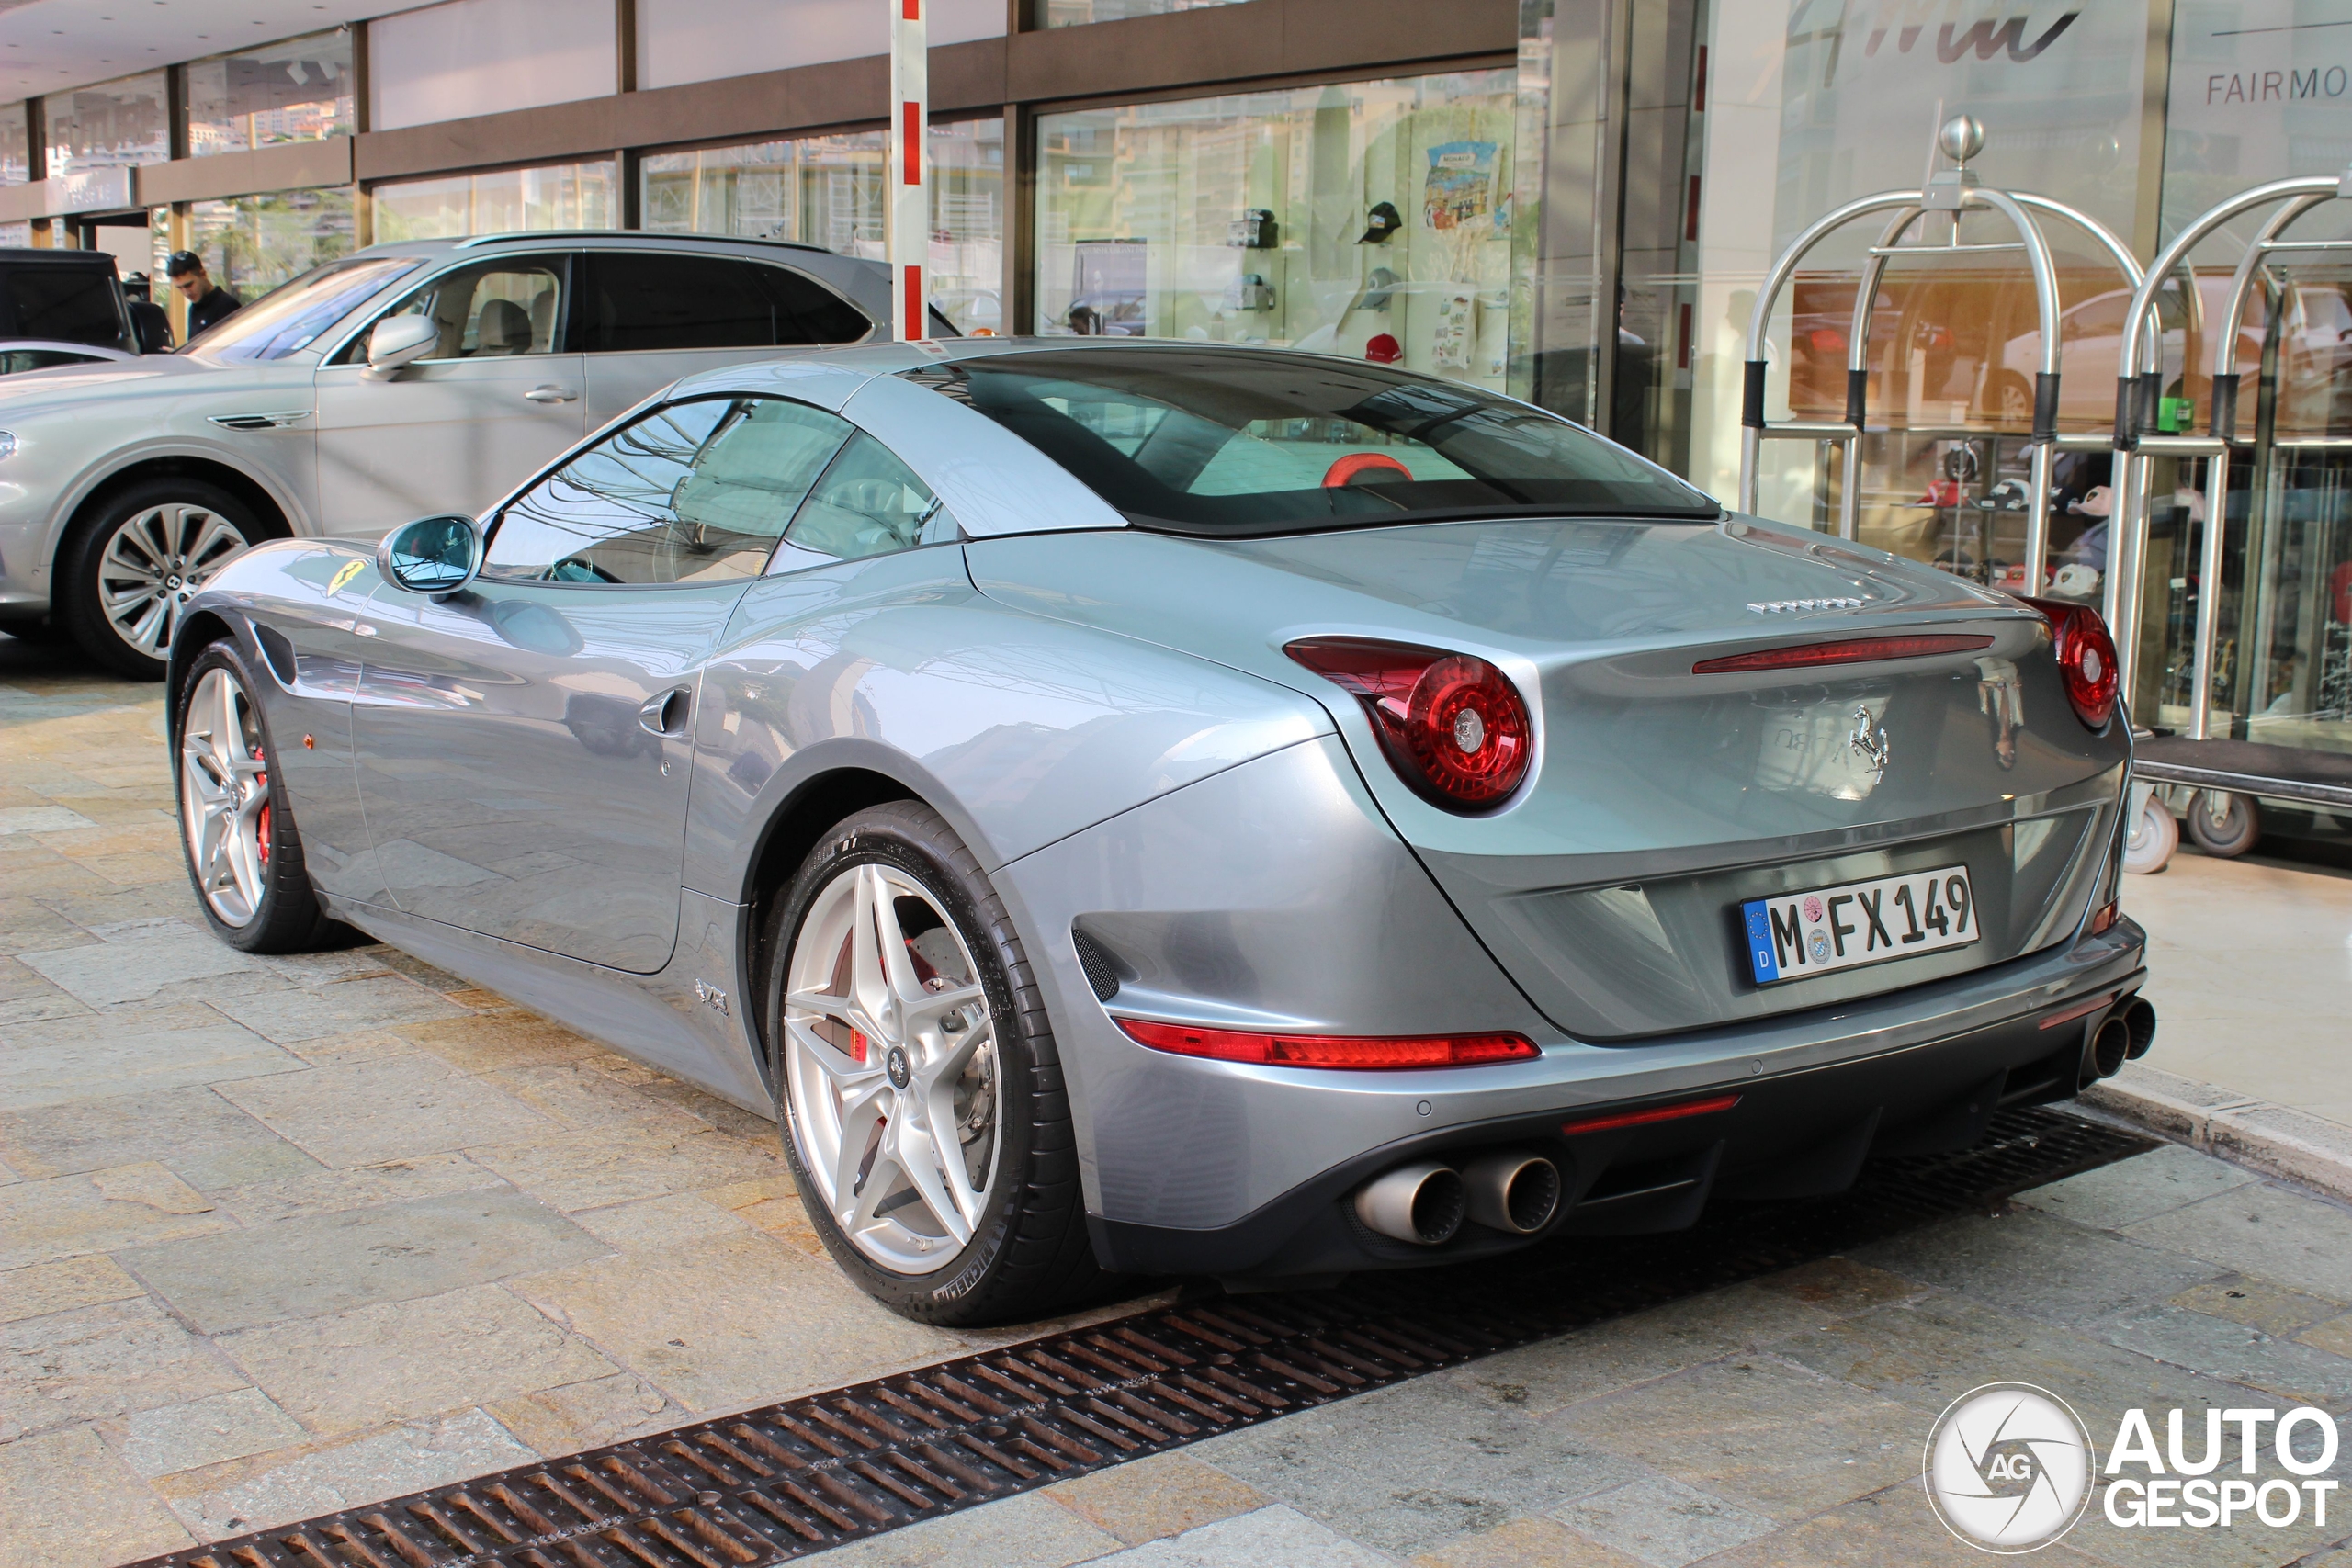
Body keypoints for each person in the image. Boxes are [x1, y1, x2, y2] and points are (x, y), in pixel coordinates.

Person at [165, 251, 241, 339]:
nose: (186, 293)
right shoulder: (194, 308)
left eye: (189, 285)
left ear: (203, 274)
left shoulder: (227, 306)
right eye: (180, 288)